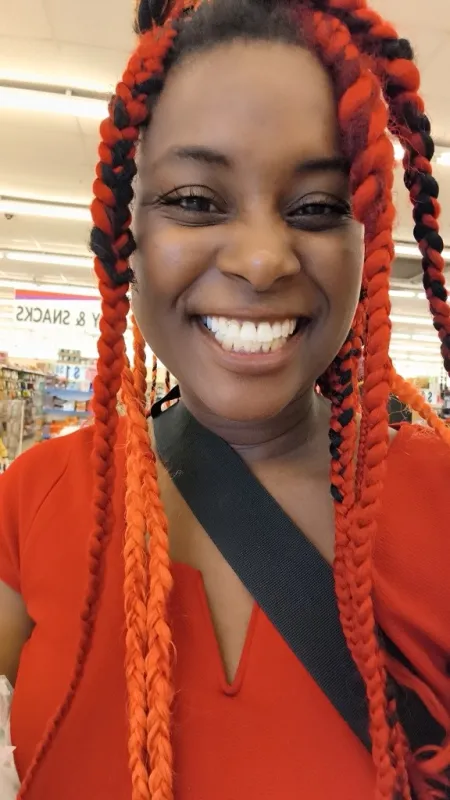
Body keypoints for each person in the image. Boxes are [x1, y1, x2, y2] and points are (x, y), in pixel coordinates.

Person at [0, 0, 449, 798]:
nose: (262, 259)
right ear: (125, 233)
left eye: (317, 208)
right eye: (196, 200)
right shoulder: (32, 504)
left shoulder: (439, 500)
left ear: (367, 239)